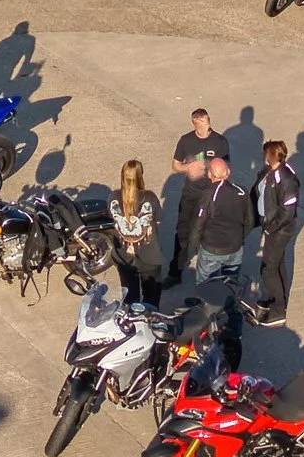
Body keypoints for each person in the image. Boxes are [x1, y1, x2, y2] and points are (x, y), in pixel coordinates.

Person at [164, 107, 230, 286]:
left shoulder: (220, 141)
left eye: (208, 121)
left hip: (212, 197)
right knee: (182, 234)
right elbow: (175, 164)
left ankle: (212, 274)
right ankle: (175, 272)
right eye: (203, 123)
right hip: (190, 196)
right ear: (195, 123)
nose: (207, 126)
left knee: (211, 235)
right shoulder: (186, 141)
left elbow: (225, 168)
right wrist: (188, 168)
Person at [243, 140, 300, 326]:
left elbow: (287, 212)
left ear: (273, 156)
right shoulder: (268, 171)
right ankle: (276, 299)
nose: (263, 156)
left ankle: (278, 310)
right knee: (278, 264)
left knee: (268, 268)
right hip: (270, 226)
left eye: (266, 153)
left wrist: (271, 228)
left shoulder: (287, 179)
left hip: (279, 231)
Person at [192, 156, 254, 291]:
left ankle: (206, 308)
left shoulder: (208, 195)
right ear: (228, 173)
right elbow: (250, 221)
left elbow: (198, 224)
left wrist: (196, 246)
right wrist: (239, 237)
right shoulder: (242, 191)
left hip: (211, 248)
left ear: (209, 174)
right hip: (234, 248)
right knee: (231, 285)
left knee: (205, 287)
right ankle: (230, 308)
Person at [109, 160, 164, 307]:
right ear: (141, 176)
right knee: (151, 300)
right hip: (150, 257)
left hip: (124, 257)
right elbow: (158, 219)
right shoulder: (150, 197)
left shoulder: (113, 198)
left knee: (130, 299)